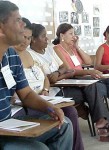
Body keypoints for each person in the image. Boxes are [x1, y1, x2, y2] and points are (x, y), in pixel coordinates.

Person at [28, 23, 109, 143]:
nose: (47, 39)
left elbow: (65, 67)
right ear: (33, 39)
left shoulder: (48, 51)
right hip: (60, 88)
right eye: (43, 36)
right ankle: (103, 124)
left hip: (73, 81)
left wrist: (59, 71)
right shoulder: (45, 51)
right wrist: (63, 74)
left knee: (95, 86)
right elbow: (54, 77)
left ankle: (102, 123)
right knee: (94, 90)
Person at [0, 1, 73, 150]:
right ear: (1, 28)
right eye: (18, 20)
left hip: (9, 124)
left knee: (64, 125)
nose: (23, 25)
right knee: (38, 148)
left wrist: (49, 108)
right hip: (4, 130)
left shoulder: (12, 55)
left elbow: (26, 94)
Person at [47, 23, 109, 132]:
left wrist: (77, 46)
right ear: (62, 36)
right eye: (71, 34)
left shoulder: (73, 49)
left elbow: (88, 61)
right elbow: (68, 69)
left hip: (86, 79)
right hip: (76, 80)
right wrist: (91, 72)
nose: (74, 37)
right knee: (107, 89)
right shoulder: (57, 49)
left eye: (74, 34)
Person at [13, 17, 84, 150]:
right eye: (22, 36)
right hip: (22, 106)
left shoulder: (22, 55)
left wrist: (45, 91)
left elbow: (45, 77)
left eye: (27, 38)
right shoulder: (15, 56)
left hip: (42, 95)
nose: (24, 41)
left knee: (68, 116)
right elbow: (20, 95)